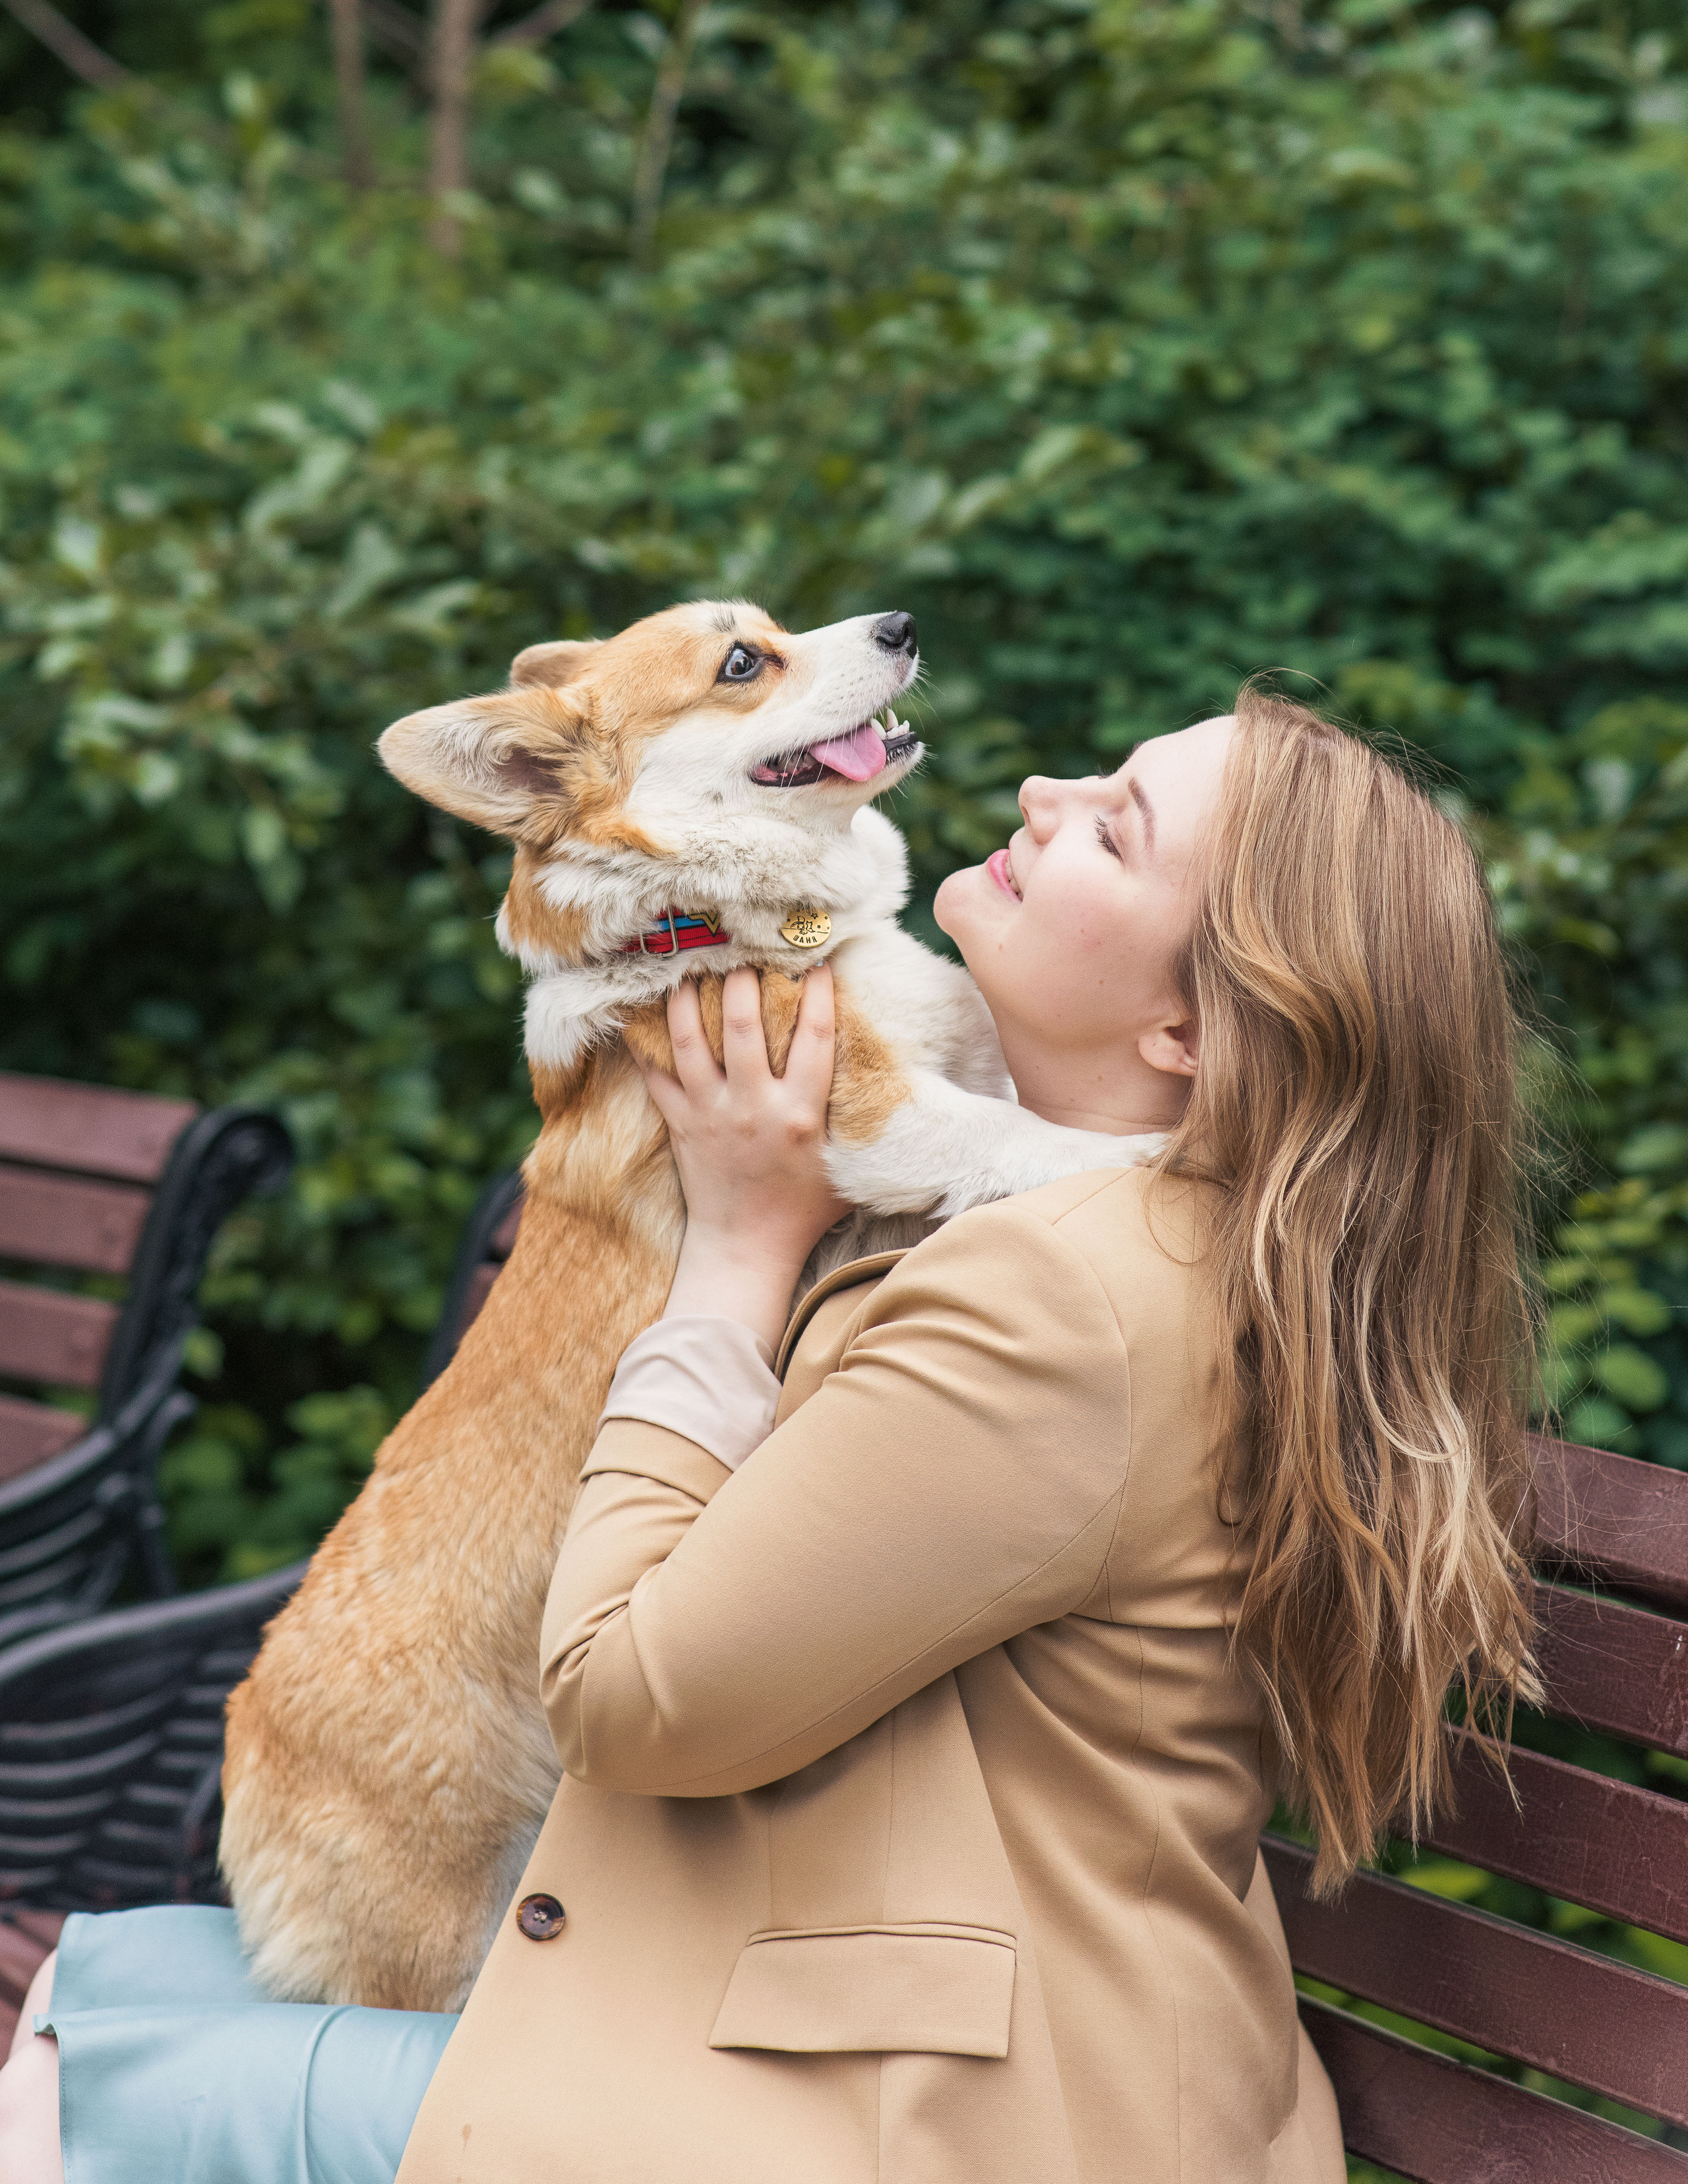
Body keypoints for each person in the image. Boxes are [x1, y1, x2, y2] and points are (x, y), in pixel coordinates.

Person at [0, 689, 1536, 2183]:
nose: (1035, 798)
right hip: (903, 2026)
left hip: (936, 2122)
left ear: (1191, 1026)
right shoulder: (1134, 1241)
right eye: (1087, 781)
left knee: (71, 2086)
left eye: (1112, 832)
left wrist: (732, 1253)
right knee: (104, 1998)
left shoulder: (1062, 1298)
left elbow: (624, 1698)